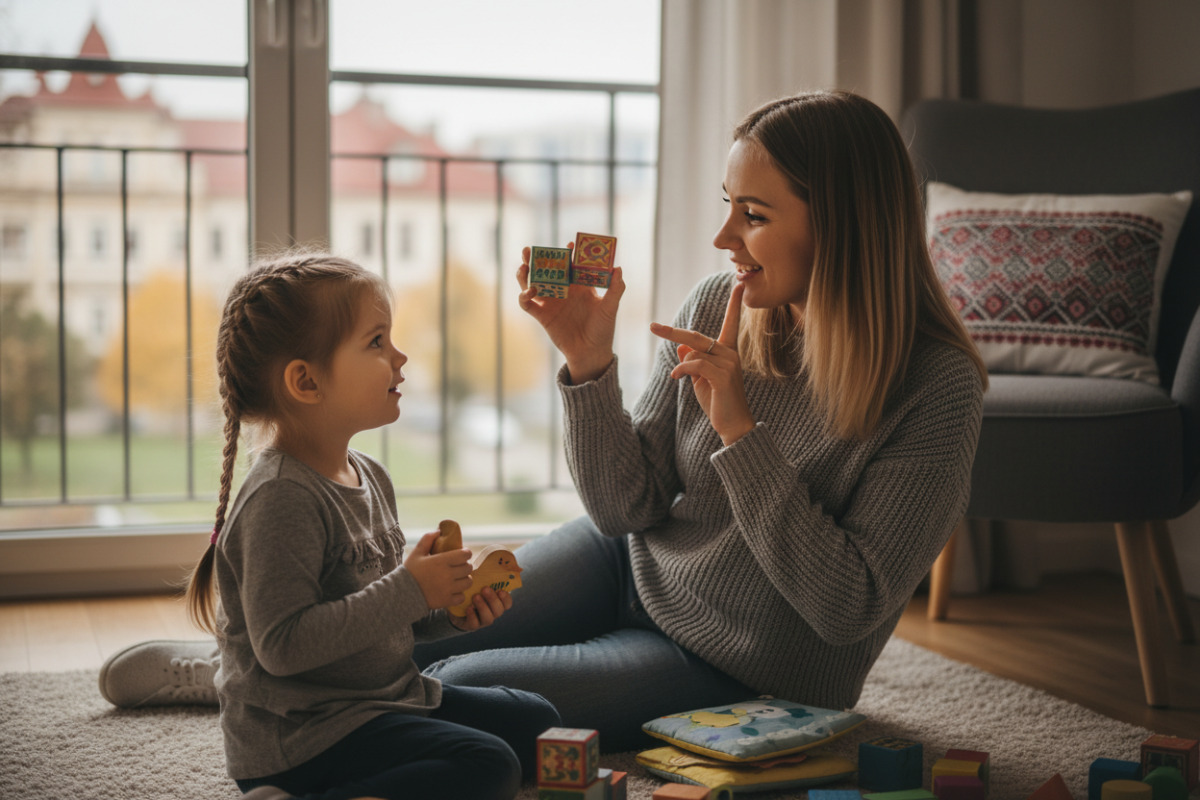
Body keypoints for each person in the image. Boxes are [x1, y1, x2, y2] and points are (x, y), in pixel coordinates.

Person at [100, 89, 986, 756]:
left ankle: (254, 682)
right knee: (422, 619)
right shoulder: (722, 304)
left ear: (846, 227)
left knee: (448, 688)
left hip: (745, 663)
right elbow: (625, 508)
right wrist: (588, 366)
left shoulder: (936, 388)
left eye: (752, 216)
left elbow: (846, 608)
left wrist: (741, 435)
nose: (724, 239)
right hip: (630, 560)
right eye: (727, 204)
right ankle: (243, 669)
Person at [100, 254, 560, 800]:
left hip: (384, 701)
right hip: (304, 736)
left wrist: (449, 610)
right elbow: (283, 647)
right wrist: (411, 588)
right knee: (490, 766)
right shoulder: (280, 498)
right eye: (377, 342)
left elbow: (384, 621)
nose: (400, 356)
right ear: (306, 381)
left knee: (541, 723)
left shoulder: (371, 476)